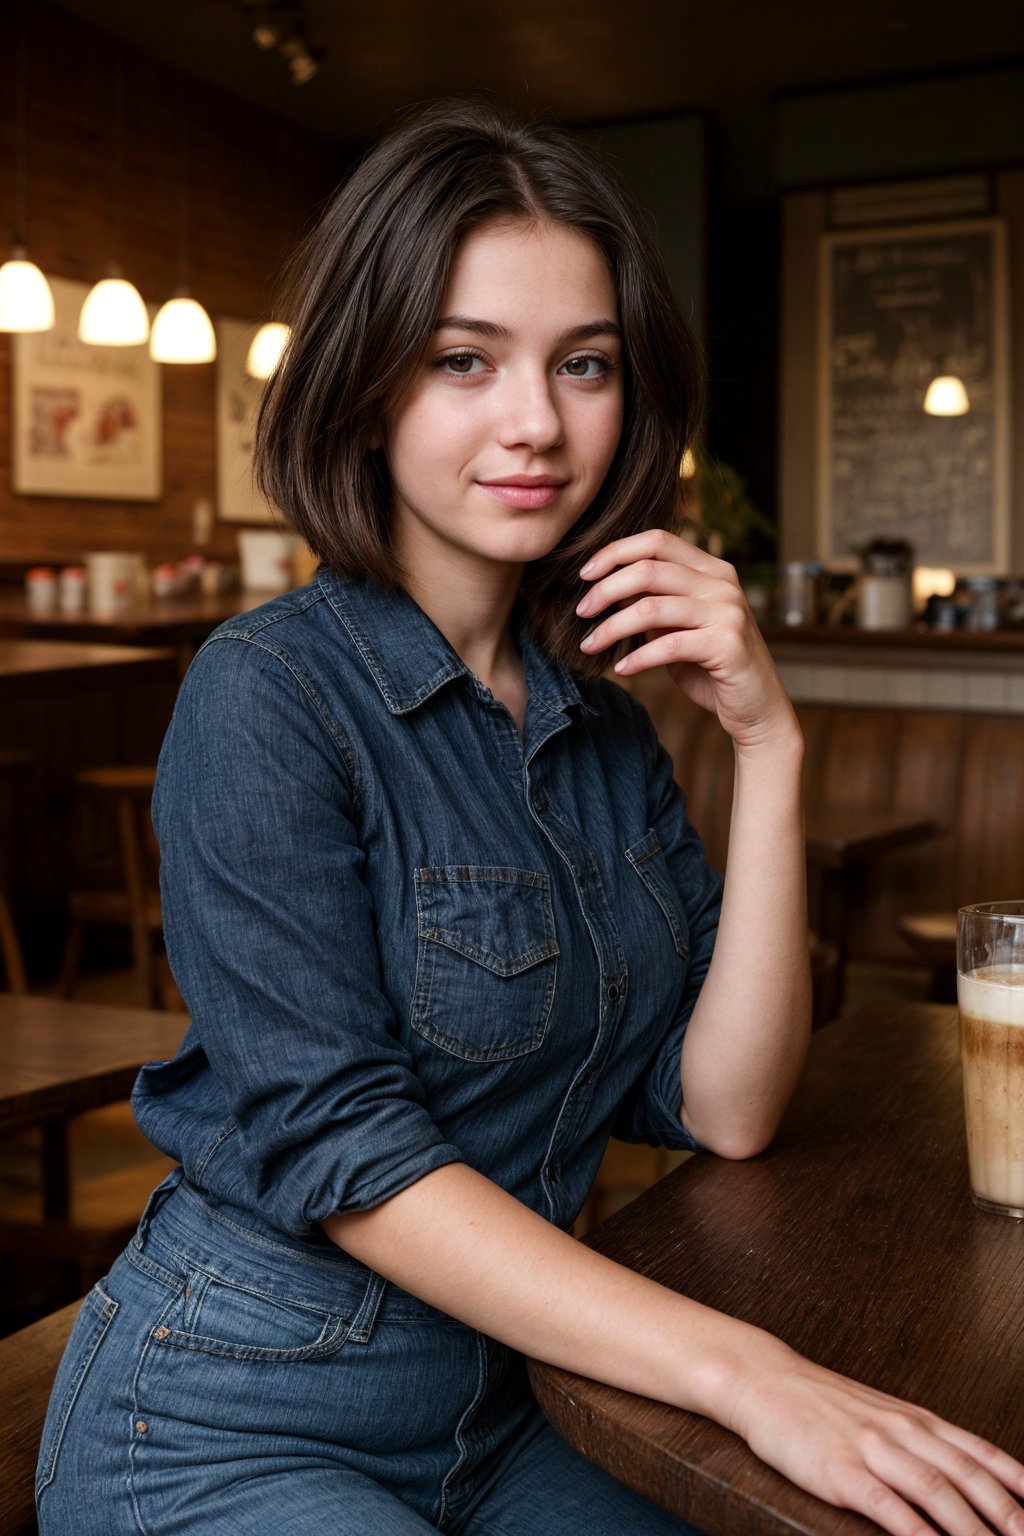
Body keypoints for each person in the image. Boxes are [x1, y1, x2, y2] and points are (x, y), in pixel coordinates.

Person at [37, 101, 1024, 1536]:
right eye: (462, 360)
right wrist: (752, 1374)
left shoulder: (602, 721)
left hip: (524, 1394)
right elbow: (348, 1158)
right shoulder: (268, 695)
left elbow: (724, 1109)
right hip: (232, 1410)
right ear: (368, 388)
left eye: (584, 366)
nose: (536, 425)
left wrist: (769, 735)